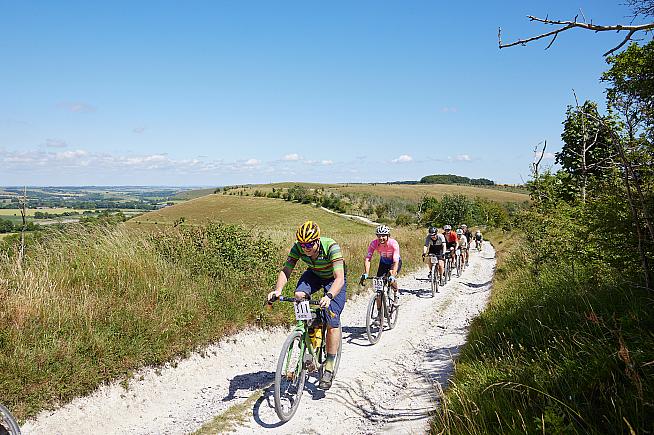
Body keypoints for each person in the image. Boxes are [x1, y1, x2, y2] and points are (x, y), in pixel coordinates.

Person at [267, 221, 346, 390]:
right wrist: (278, 290)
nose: (306, 248)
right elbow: (286, 269)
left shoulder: (331, 246)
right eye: (303, 245)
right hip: (314, 274)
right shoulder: (298, 248)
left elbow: (339, 278)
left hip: (334, 279)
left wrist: (329, 295)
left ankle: (329, 366)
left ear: (317, 241)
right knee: (299, 296)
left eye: (309, 244)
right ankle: (311, 329)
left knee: (332, 320)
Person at [360, 225, 401, 305]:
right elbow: (368, 258)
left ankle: (396, 294)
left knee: (391, 276)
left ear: (388, 235)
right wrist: (366, 273)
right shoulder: (374, 243)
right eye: (379, 236)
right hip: (383, 263)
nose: (381, 238)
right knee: (379, 287)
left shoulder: (393, 243)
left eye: (383, 236)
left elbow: (396, 261)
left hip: (394, 262)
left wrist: (392, 275)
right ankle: (379, 314)